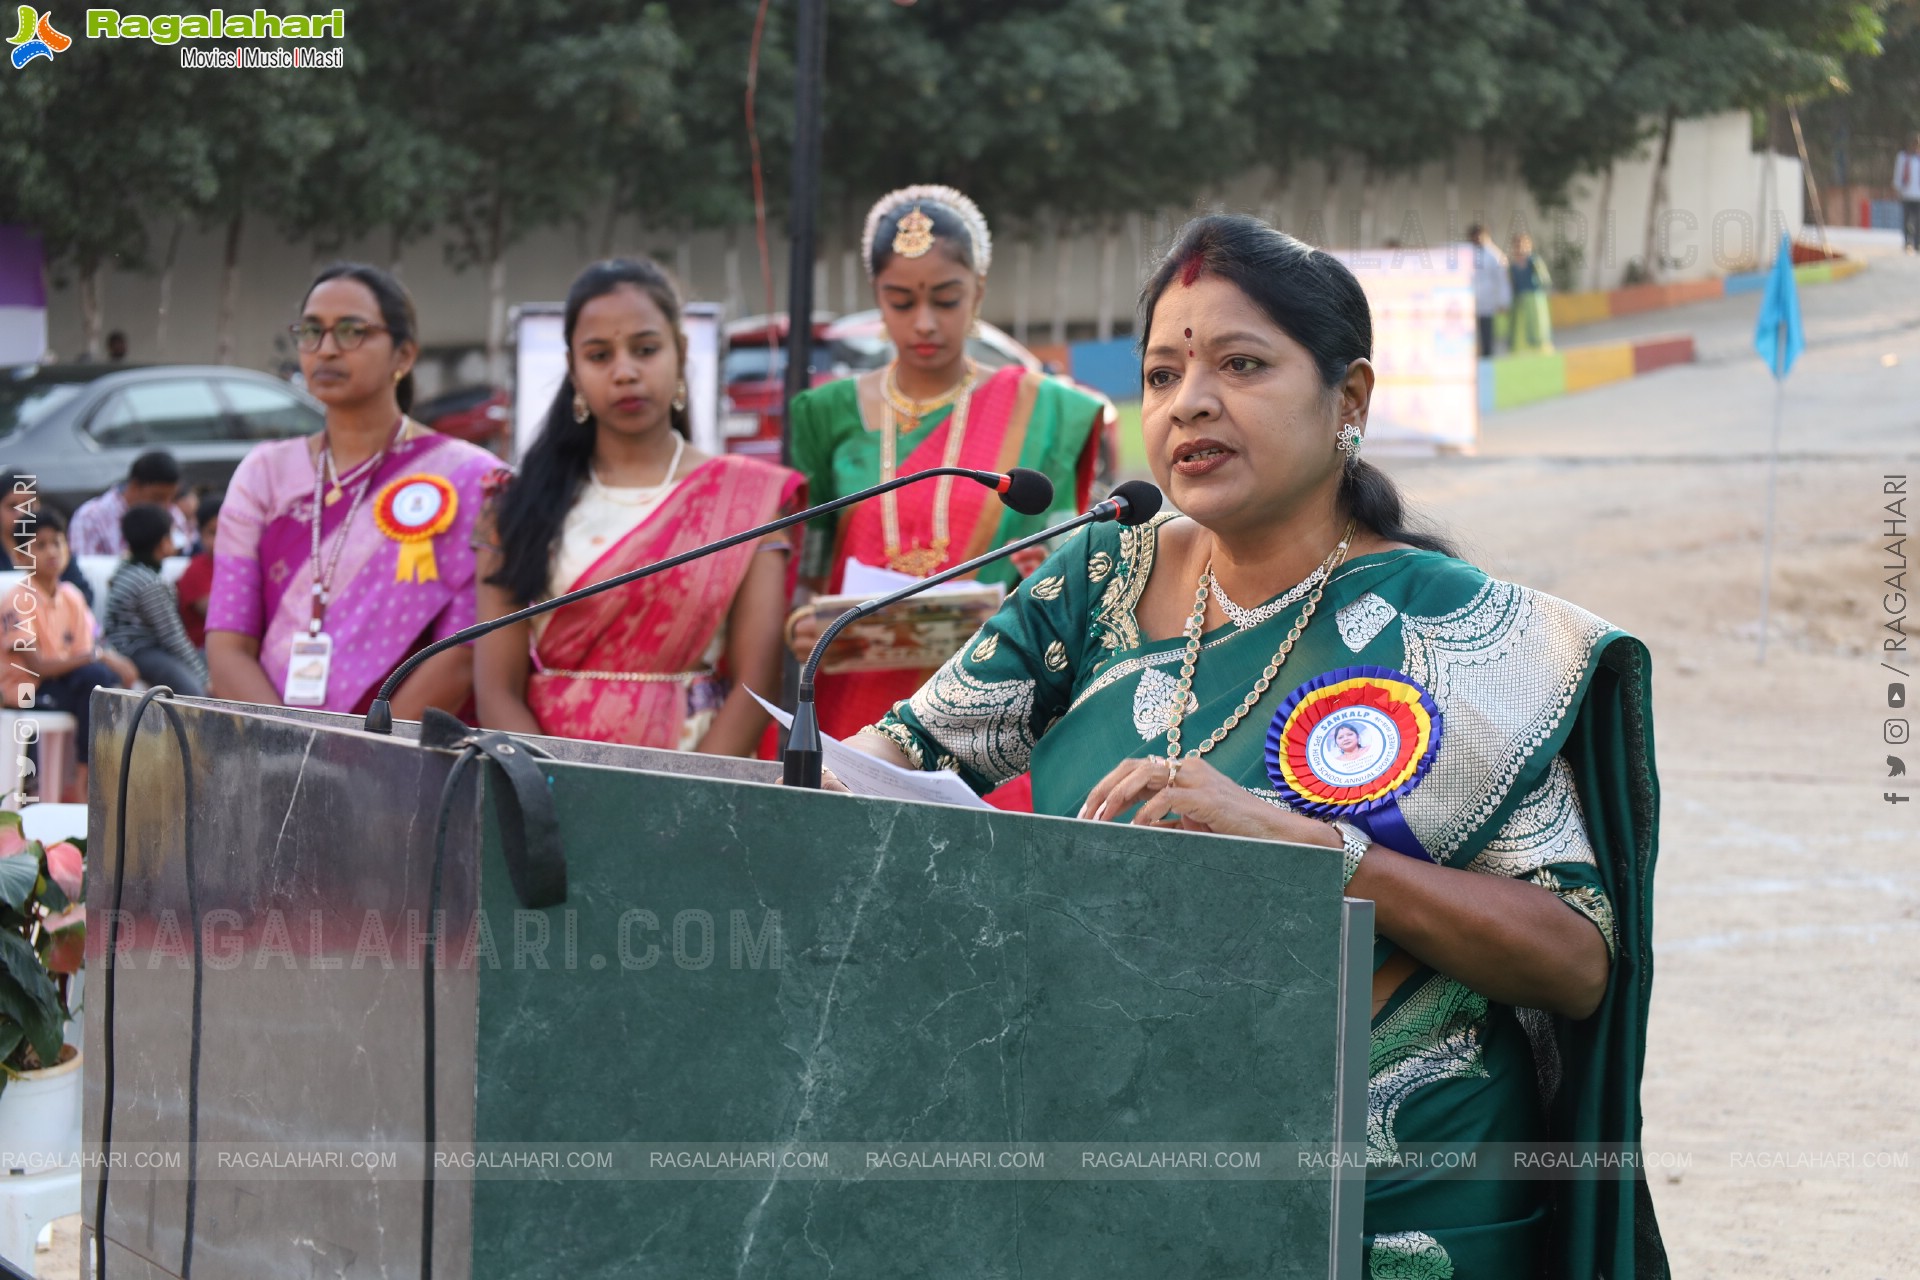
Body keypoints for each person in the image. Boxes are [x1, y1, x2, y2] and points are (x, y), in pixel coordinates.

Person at [841, 215, 1666, 1277]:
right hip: (1127, 1177)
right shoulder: (1097, 584)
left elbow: (1576, 959)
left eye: (1240, 364)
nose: (1190, 401)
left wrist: (1316, 850)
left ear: (1350, 400)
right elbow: (886, 762)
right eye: (1162, 371)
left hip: (1400, 1206)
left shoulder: (1459, 632)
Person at [785, 184, 1106, 743]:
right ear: (877, 295)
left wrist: (1033, 583)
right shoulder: (825, 412)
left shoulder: (1046, 410)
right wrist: (799, 624)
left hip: (985, 692)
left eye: (947, 299)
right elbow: (806, 570)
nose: (925, 323)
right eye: (902, 302)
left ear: (978, 291)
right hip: (849, 691)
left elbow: (1064, 561)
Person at [473, 259, 801, 753]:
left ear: (681, 352)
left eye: (645, 350)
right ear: (574, 371)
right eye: (600, 355)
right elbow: (496, 689)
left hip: (699, 780)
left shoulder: (746, 499)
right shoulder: (517, 506)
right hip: (544, 784)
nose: (624, 371)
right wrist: (548, 789)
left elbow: (757, 685)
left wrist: (687, 806)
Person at [205, 264, 504, 718]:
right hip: (272, 757)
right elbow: (228, 649)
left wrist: (364, 761)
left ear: (403, 356)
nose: (326, 349)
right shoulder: (264, 474)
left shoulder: (473, 479)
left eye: (351, 331)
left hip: (410, 758)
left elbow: (462, 652)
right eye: (312, 331)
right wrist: (288, 746)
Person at [1, 507, 137, 803]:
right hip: (27, 690)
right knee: (98, 678)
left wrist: (99, 658)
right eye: (40, 545)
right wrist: (98, 656)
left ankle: (91, 774)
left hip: (62, 684)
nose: (52, 551)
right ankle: (86, 778)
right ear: (21, 556)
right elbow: (38, 666)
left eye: (57, 543)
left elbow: (83, 653)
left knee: (101, 682)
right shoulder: (17, 599)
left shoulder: (72, 596)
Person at [104, 505, 207, 697]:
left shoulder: (128, 570)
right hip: (141, 652)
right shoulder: (148, 582)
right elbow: (172, 637)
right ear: (163, 542)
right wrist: (205, 680)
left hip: (137, 649)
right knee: (194, 691)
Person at [67, 449, 195, 557]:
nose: (165, 506)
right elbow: (86, 571)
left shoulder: (173, 514)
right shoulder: (90, 518)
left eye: (171, 499)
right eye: (158, 498)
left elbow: (188, 555)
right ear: (134, 486)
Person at [3, 471, 94, 605]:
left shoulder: (55, 545)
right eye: (12, 506)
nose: (21, 512)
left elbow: (84, 596)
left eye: (28, 505)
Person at [175, 493, 220, 649]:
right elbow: (219, 617)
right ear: (200, 534)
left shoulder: (248, 567)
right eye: (212, 533)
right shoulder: (196, 570)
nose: (220, 539)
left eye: (226, 531)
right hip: (204, 651)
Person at [1466, 223, 1511, 359]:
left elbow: (1502, 281)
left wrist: (1503, 301)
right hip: (1469, 303)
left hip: (1487, 303)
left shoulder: (1494, 255)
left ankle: (1487, 362)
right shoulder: (1466, 253)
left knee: (1487, 336)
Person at [1505, 232, 1554, 355]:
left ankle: (1540, 349)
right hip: (1520, 301)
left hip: (1534, 299)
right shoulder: (1513, 265)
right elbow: (1512, 284)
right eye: (1517, 245)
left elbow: (1545, 279)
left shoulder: (1534, 261)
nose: (1520, 247)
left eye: (1523, 244)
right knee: (1521, 327)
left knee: (1537, 326)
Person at [1895, 132, 1920, 255]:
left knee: (1918, 220)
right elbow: (1898, 175)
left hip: (1918, 196)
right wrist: (1898, 189)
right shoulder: (1903, 157)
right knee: (1906, 220)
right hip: (1906, 194)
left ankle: (1917, 243)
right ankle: (1907, 242)